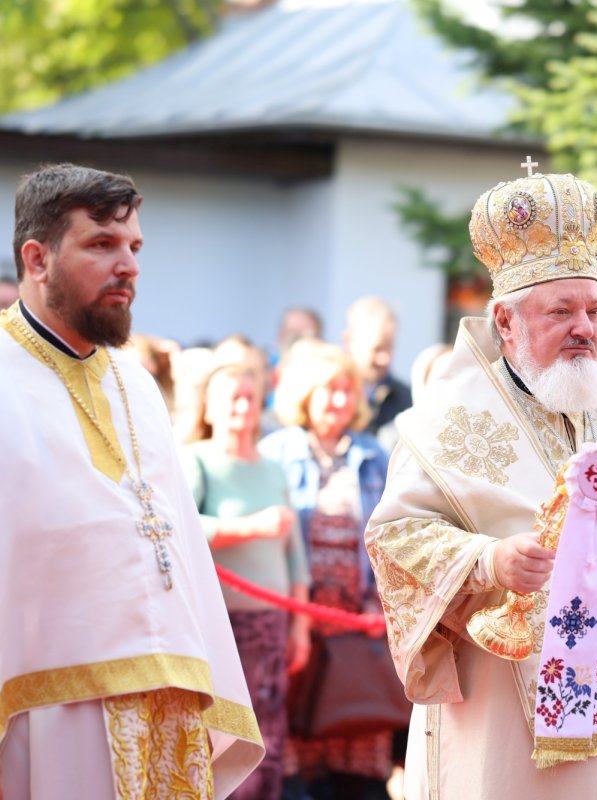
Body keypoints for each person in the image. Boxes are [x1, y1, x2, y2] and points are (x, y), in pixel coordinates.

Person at [365, 170, 597, 798]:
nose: (586, 329)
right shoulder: (447, 421)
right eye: (561, 311)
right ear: (505, 322)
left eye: (594, 310)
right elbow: (395, 536)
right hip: (504, 718)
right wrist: (488, 561)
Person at [0, 163, 263, 800]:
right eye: (101, 245)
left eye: (134, 247)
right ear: (37, 259)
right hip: (39, 719)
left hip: (164, 709)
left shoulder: (139, 385)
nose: (128, 265)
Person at [259, 340, 394, 800]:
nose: (339, 400)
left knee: (355, 750)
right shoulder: (274, 453)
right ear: (304, 395)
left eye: (346, 390)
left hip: (355, 635)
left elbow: (392, 540)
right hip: (296, 629)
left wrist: (380, 603)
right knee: (296, 757)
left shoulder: (374, 456)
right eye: (327, 390)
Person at [184, 357, 313, 800]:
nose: (243, 409)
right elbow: (181, 527)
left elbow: (296, 557)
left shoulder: (273, 468)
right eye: (233, 399)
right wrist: (251, 527)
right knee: (221, 736)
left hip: (272, 625)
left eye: (250, 399)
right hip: (220, 626)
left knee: (268, 734)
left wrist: (300, 626)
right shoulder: (195, 460)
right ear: (209, 408)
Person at [342, 296, 411, 439]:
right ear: (348, 341)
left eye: (389, 347)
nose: (384, 358)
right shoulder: (330, 398)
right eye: (377, 348)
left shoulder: (407, 402)